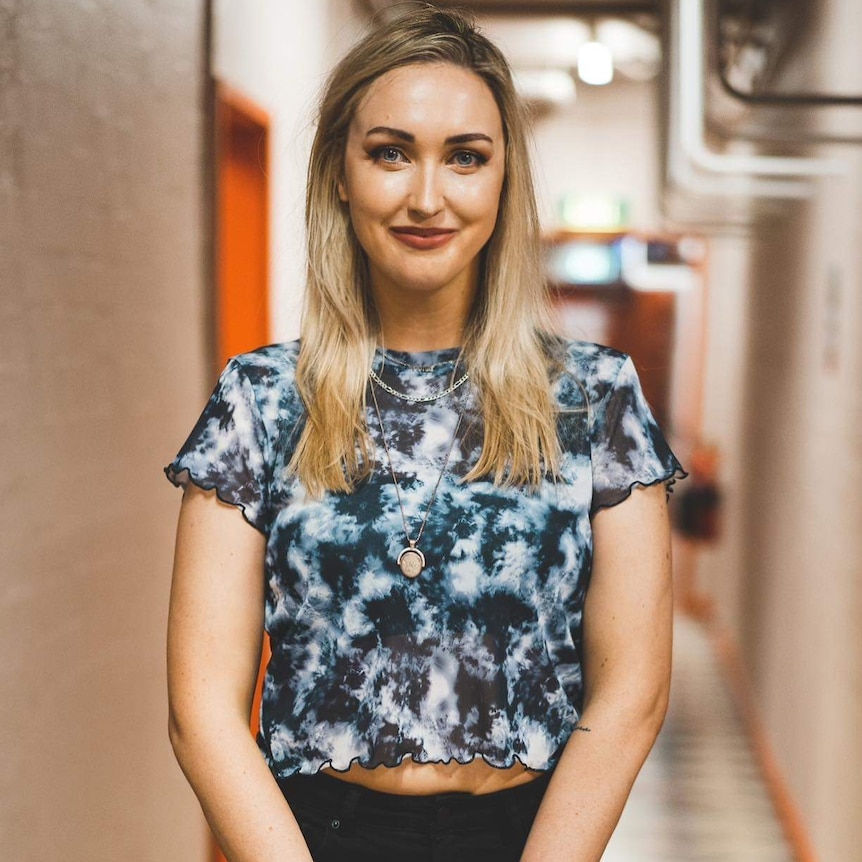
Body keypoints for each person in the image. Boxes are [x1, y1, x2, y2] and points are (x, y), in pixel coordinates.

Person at [165, 6, 685, 861]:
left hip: (529, 836)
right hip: (311, 837)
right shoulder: (259, 402)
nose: (427, 196)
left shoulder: (594, 398)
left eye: (466, 158)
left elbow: (630, 694)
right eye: (391, 152)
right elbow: (201, 712)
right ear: (341, 171)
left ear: (503, 180)